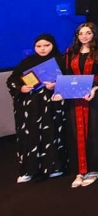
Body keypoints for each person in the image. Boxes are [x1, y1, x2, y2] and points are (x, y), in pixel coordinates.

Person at [7, 34, 66, 183]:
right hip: (30, 108)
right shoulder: (28, 61)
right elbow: (12, 80)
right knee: (30, 135)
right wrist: (21, 88)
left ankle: (54, 167)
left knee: (52, 133)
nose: (42, 49)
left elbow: (70, 80)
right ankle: (29, 170)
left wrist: (56, 85)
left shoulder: (61, 60)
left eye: (46, 45)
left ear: (53, 45)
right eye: (39, 46)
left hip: (52, 107)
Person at [61, 23, 98, 188]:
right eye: (81, 33)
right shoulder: (70, 53)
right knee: (76, 133)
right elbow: (67, 75)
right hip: (75, 97)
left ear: (94, 34)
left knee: (95, 131)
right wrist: (60, 91)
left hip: (96, 96)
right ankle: (80, 171)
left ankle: (95, 170)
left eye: (88, 33)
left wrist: (96, 87)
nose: (84, 36)